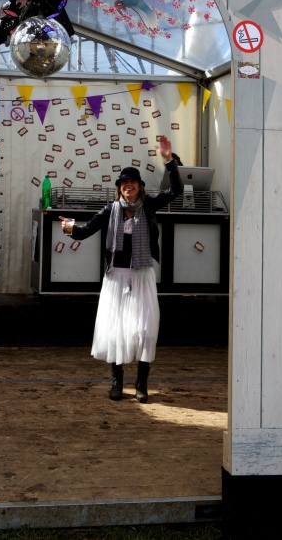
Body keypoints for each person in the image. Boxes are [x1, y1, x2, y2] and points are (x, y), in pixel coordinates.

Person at [59, 135, 183, 403]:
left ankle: (141, 384)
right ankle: (117, 383)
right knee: (116, 329)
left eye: (133, 183)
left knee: (144, 329)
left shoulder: (148, 207)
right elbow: (84, 231)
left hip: (142, 275)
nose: (129, 186)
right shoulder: (110, 210)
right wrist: (69, 228)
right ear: (120, 188)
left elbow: (176, 191)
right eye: (124, 183)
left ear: (140, 187)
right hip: (116, 276)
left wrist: (169, 161)